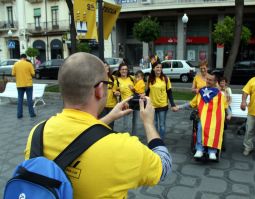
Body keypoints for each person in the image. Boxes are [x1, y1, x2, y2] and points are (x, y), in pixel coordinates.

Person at [24, 52, 172, 198]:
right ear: (100, 89)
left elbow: (79, 135)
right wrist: (148, 123)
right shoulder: (121, 147)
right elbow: (164, 166)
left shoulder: (37, 133)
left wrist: (109, 117)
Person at [176, 73, 226, 160]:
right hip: (203, 118)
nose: (208, 81)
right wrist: (179, 107)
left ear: (215, 82)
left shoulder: (220, 94)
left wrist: (229, 114)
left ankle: (212, 151)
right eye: (207, 79)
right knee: (201, 126)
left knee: (214, 128)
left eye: (210, 80)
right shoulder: (201, 92)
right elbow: (192, 103)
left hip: (215, 119)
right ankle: (200, 149)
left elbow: (225, 106)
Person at [146, 60, 177, 139]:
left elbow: (169, 92)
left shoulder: (165, 78)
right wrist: (145, 103)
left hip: (163, 105)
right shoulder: (150, 79)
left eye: (160, 67)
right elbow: (147, 92)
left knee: (162, 125)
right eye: (157, 67)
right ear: (153, 69)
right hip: (152, 106)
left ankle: (161, 141)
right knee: (154, 124)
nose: (159, 69)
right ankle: (156, 140)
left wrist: (173, 104)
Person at [114, 62, 138, 135]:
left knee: (135, 122)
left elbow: (140, 88)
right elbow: (114, 90)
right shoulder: (117, 80)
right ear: (119, 70)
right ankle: (126, 139)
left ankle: (134, 138)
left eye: (125, 69)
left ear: (127, 70)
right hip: (125, 103)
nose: (124, 71)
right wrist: (116, 93)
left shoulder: (132, 78)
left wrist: (133, 89)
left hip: (135, 101)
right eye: (122, 69)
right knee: (126, 124)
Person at [12, 54, 36, 118]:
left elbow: (13, 74)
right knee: (29, 100)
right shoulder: (29, 64)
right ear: (25, 58)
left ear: (20, 58)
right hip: (28, 84)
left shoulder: (15, 64)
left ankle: (19, 115)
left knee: (20, 100)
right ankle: (32, 114)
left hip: (19, 84)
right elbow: (33, 74)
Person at [98, 61, 118, 129]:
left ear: (108, 67)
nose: (105, 67)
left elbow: (116, 89)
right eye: (103, 66)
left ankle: (110, 136)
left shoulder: (113, 78)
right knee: (102, 122)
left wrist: (117, 92)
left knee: (111, 123)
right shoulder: (98, 78)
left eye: (106, 66)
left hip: (112, 104)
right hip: (102, 104)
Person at [218, 76, 232, 151]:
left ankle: (228, 116)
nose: (222, 83)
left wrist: (226, 104)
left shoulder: (228, 89)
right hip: (218, 107)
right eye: (220, 82)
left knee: (227, 111)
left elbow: (230, 100)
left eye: (223, 82)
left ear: (225, 82)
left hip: (225, 106)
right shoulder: (217, 89)